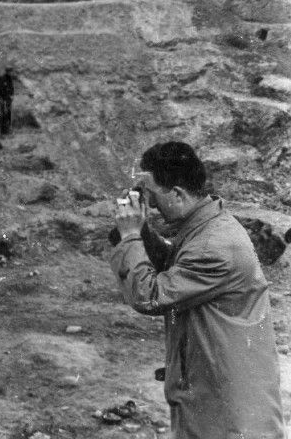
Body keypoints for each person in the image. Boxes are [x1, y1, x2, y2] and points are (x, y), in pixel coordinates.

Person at [110, 141, 285, 438]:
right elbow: (175, 267)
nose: (150, 205)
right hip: (218, 402)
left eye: (152, 195)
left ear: (177, 194)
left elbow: (150, 295)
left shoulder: (213, 245)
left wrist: (129, 238)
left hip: (229, 418)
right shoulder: (208, 226)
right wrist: (140, 232)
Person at [0, 67, 15, 137]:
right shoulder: (2, 78)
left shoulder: (10, 78)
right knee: (4, 115)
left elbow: (12, 88)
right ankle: (2, 133)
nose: (12, 73)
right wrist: (5, 98)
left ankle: (8, 131)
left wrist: (12, 95)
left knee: (8, 115)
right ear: (7, 71)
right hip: (3, 99)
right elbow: (1, 89)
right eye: (10, 71)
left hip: (8, 99)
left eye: (12, 71)